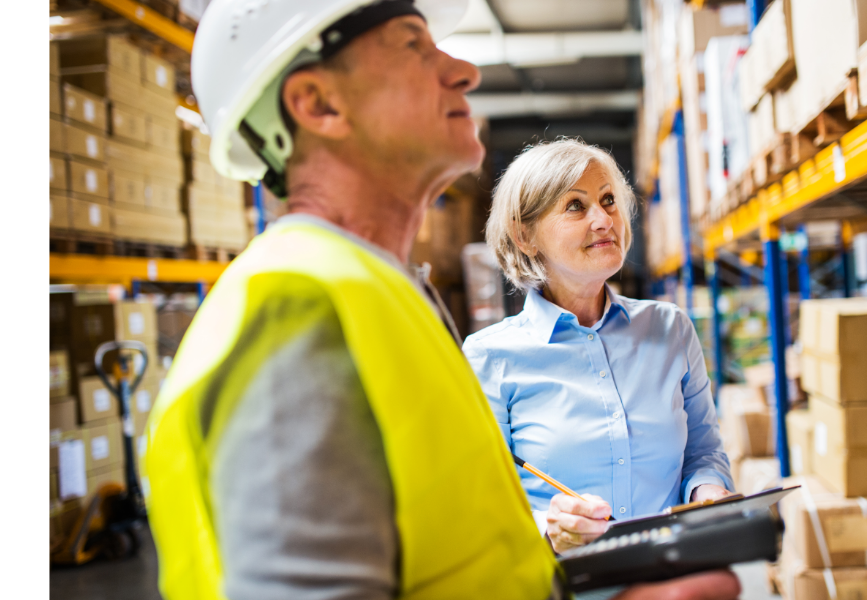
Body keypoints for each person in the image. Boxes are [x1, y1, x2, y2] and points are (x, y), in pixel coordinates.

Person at [143, 1, 741, 599]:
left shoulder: (387, 295)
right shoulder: (296, 304)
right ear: (320, 104)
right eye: (413, 47)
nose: (464, 71)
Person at [463, 139, 735, 555]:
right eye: (576, 206)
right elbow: (478, 501)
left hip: (669, 576)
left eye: (609, 201)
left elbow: (703, 452)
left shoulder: (670, 329)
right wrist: (548, 529)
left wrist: (708, 493)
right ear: (524, 234)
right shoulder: (490, 357)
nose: (604, 219)